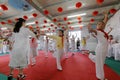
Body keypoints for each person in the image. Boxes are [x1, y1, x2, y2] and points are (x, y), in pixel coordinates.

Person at [87, 11, 109, 80]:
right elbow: (93, 31)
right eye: (99, 24)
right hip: (100, 49)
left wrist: (105, 16)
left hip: (104, 49)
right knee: (99, 64)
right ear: (97, 26)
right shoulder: (98, 32)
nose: (100, 25)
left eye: (101, 24)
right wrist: (90, 29)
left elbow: (104, 22)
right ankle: (100, 77)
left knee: (100, 62)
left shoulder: (103, 31)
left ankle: (91, 56)